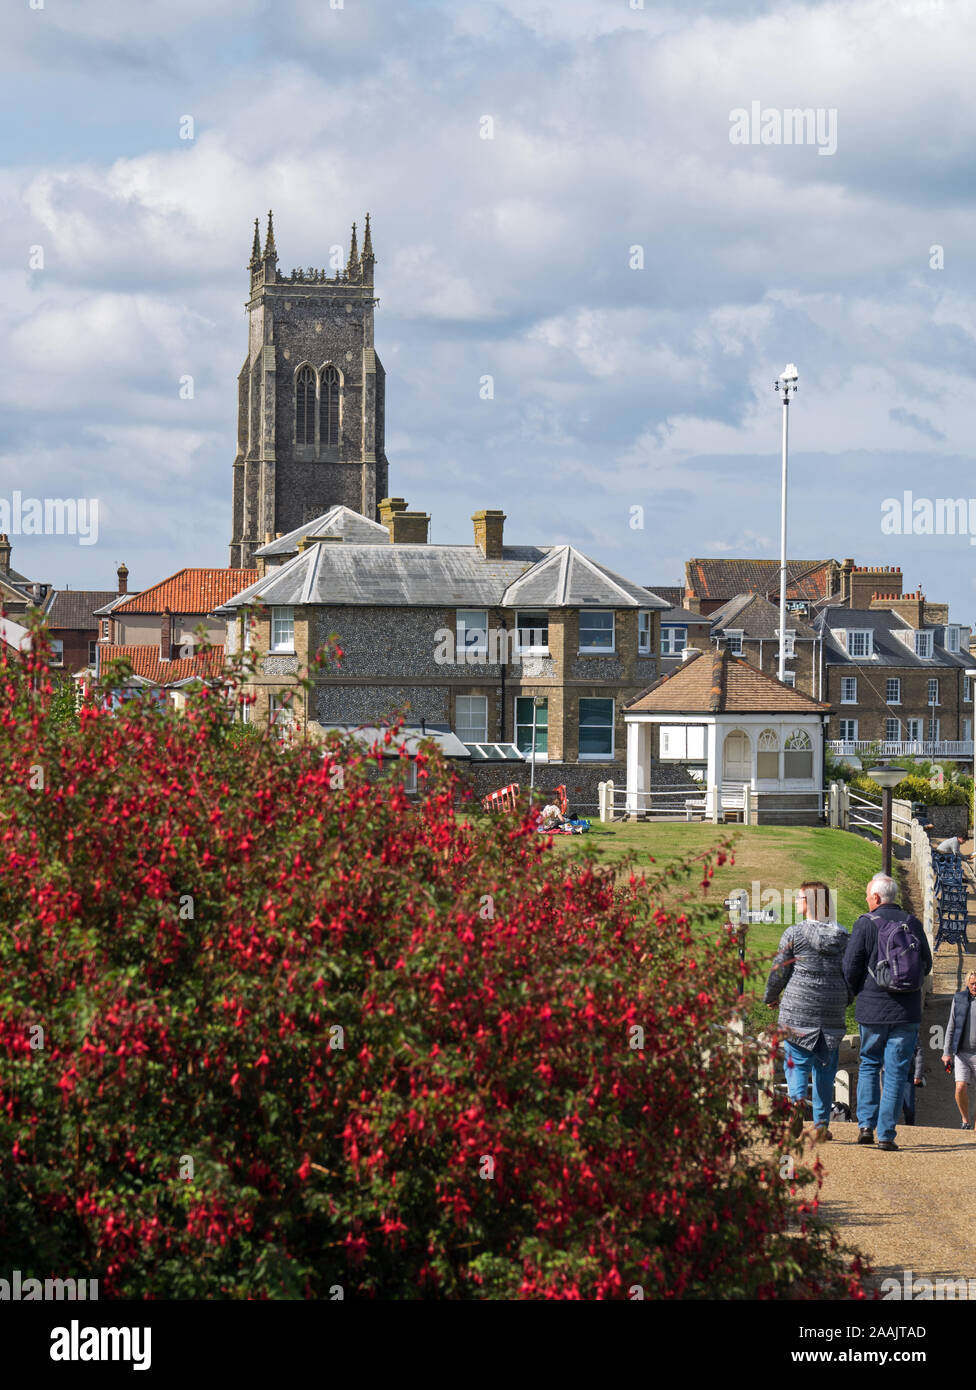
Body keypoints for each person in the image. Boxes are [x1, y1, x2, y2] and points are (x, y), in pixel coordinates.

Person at [843, 872, 932, 1152]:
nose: (867, 900)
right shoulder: (912, 923)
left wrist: (857, 992)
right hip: (906, 1011)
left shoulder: (865, 924)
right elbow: (926, 964)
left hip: (872, 1008)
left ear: (877, 898)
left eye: (869, 895)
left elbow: (850, 966)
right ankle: (887, 1134)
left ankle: (865, 1126)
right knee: (895, 1072)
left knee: (869, 1063)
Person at [763, 882, 850, 1140]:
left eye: (798, 897)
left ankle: (797, 1103)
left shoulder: (794, 934)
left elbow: (779, 970)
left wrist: (770, 996)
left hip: (798, 1009)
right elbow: (851, 972)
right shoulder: (843, 936)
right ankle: (821, 1125)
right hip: (832, 1010)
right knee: (825, 1067)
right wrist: (846, 998)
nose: (795, 902)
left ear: (810, 902)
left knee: (797, 1062)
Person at [940, 970, 976, 1129]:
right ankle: (965, 1120)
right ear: (967, 983)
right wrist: (946, 1052)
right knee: (960, 1087)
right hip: (961, 1053)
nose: (975, 986)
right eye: (972, 983)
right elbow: (951, 1027)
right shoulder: (959, 999)